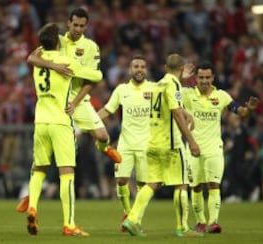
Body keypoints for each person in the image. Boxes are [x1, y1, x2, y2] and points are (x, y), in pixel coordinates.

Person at [16, 7, 121, 212]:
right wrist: (54, 66)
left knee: (101, 135)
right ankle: (31, 196)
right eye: (75, 25)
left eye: (82, 26)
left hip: (78, 100)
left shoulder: (91, 47)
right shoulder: (57, 42)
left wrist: (76, 102)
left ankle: (105, 148)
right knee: (49, 158)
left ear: (87, 26)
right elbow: (32, 58)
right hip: (58, 103)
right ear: (68, 24)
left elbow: (92, 79)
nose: (78, 29)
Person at [25, 22, 102, 236]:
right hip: (60, 121)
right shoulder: (67, 61)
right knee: (66, 172)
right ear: (57, 41)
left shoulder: (38, 62)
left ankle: (32, 206)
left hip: (40, 121)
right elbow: (97, 77)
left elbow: (31, 55)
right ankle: (69, 224)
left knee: (39, 168)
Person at [122, 54, 202, 237]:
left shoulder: (157, 85)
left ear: (166, 68)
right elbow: (175, 112)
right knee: (181, 184)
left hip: (152, 142)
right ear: (181, 69)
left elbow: (171, 104)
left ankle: (132, 219)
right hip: (170, 144)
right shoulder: (174, 86)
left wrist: (184, 109)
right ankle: (182, 227)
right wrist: (191, 141)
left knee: (152, 184)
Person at [182, 62, 259, 233]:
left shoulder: (222, 96)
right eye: (201, 77)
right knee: (196, 187)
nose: (204, 81)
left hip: (214, 148)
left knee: (214, 184)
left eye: (207, 77)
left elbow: (240, 112)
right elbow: (169, 94)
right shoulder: (187, 94)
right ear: (196, 78)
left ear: (213, 78)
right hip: (193, 148)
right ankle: (200, 221)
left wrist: (249, 109)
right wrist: (181, 79)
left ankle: (213, 222)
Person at [97, 55, 153, 230]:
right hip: (126, 143)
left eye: (142, 67)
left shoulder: (154, 89)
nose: (139, 69)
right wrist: (91, 122)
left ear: (146, 70)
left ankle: (136, 220)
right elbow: (107, 109)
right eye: (135, 66)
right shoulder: (121, 90)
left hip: (147, 144)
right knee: (121, 180)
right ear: (130, 70)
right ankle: (128, 213)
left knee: (143, 185)